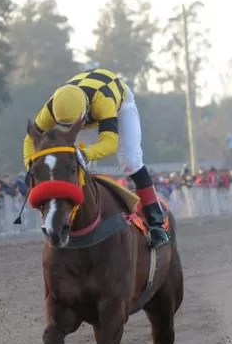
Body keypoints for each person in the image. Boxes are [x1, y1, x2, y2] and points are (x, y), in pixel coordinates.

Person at [22, 67, 170, 248]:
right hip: (83, 108)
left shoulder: (103, 102)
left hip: (120, 103)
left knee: (130, 161)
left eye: (72, 125)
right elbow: (30, 140)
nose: (70, 129)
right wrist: (31, 165)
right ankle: (68, 219)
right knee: (71, 165)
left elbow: (110, 143)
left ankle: (156, 223)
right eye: (64, 125)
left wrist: (85, 153)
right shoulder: (52, 107)